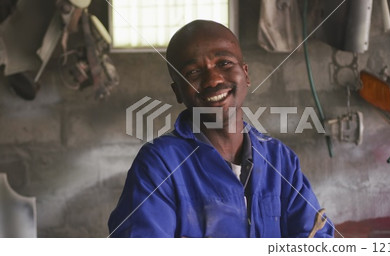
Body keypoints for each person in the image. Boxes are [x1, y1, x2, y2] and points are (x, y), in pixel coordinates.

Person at [108, 20, 334, 238]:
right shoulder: (160, 165)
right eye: (193, 73)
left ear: (245, 74)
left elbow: (315, 239)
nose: (213, 80)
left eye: (224, 63)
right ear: (178, 91)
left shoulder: (280, 160)